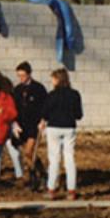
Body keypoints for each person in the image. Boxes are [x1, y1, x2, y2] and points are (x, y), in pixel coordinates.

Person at [40, 68, 83, 200]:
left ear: (57, 80)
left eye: (53, 79)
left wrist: (43, 121)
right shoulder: (75, 94)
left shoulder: (51, 95)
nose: (52, 82)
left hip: (53, 128)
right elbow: (78, 115)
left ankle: (51, 189)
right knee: (69, 158)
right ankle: (71, 190)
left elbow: (45, 113)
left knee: (54, 159)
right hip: (69, 127)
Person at [5, 61, 48, 186]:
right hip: (21, 126)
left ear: (29, 74)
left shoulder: (39, 89)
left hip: (34, 125)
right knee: (28, 154)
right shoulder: (17, 90)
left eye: (23, 75)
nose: (21, 78)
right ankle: (42, 173)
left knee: (29, 152)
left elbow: (45, 106)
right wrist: (14, 123)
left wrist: (43, 120)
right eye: (19, 76)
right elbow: (13, 108)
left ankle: (33, 175)